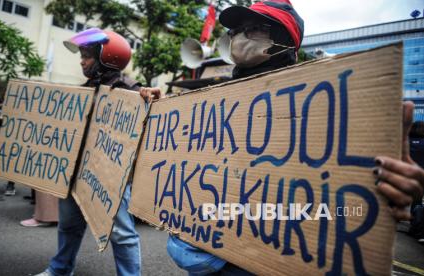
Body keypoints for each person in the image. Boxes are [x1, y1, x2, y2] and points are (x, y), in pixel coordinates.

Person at [165, 1, 424, 275]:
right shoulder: (214, 104)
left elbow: (346, 196)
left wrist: (389, 191)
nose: (238, 37)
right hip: (209, 252)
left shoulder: (325, 108)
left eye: (253, 28)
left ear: (286, 41)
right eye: (237, 29)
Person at [35, 28, 159, 276]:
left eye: (87, 55)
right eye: (81, 54)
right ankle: (59, 270)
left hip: (109, 176)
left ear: (108, 57)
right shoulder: (85, 90)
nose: (82, 61)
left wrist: (149, 98)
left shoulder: (132, 91)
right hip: (76, 170)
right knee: (68, 225)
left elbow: (150, 118)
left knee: (121, 233)